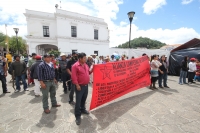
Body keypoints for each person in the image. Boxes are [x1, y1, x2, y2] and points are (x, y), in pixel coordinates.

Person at [71, 52, 93, 125]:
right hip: (79, 86)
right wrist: (77, 85)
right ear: (80, 59)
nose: (85, 59)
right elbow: (74, 77)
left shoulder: (86, 65)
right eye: (84, 58)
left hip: (86, 86)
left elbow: (89, 72)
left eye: (85, 57)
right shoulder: (75, 66)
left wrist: (93, 69)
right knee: (78, 101)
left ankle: (83, 109)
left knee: (84, 99)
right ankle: (77, 116)